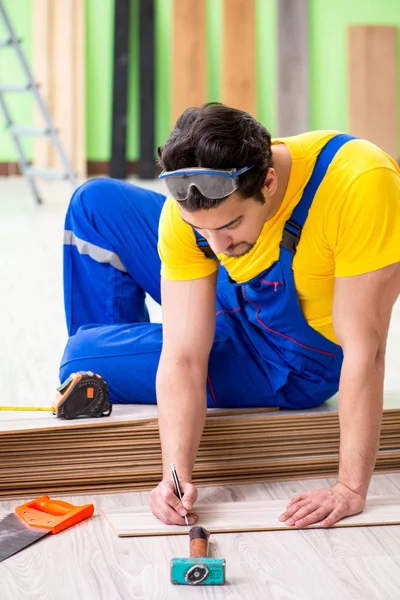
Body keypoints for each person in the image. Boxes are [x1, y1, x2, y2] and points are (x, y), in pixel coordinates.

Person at [60, 103, 400, 529]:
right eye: (201, 231)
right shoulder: (197, 211)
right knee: (96, 203)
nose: (216, 246)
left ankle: (119, 362)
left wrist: (350, 488)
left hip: (292, 361)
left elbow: (365, 351)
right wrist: (175, 475)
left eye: (230, 225)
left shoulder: (359, 183)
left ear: (269, 181)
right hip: (241, 298)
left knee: (81, 359)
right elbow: (184, 358)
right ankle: (133, 371)